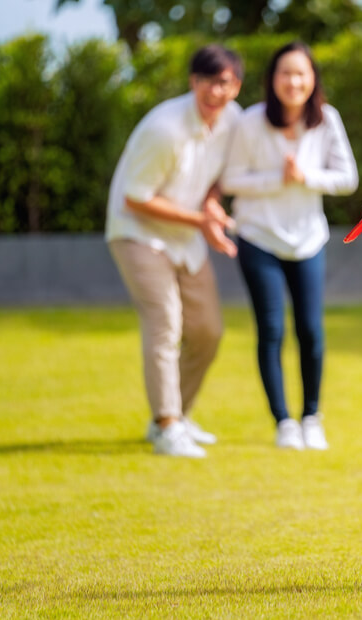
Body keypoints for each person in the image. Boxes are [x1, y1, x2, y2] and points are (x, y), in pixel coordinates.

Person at [105, 45, 243, 458]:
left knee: (208, 331)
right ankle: (167, 426)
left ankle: (175, 415)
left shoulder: (233, 121)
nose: (214, 91)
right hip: (137, 233)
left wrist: (212, 205)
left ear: (236, 86)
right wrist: (201, 221)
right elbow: (135, 198)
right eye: (205, 81)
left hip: (186, 235)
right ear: (192, 82)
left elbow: (218, 179)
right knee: (166, 322)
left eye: (223, 82)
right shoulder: (164, 129)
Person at [221, 41, 358, 451]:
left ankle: (311, 417)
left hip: (308, 240)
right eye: (285, 73)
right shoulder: (250, 121)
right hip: (257, 237)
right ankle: (283, 421)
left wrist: (305, 177)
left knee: (310, 330)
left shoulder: (326, 120)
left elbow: (347, 178)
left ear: (312, 79)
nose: (293, 81)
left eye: (301, 73)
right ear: (272, 79)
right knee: (271, 329)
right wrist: (276, 180)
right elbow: (230, 180)